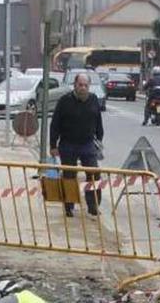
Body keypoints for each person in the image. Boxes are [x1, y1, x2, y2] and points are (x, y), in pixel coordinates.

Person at [49, 72, 104, 217]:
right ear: (75, 85)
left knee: (94, 174)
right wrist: (53, 145)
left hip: (87, 144)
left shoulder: (93, 99)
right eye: (80, 85)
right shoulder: (64, 101)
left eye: (86, 85)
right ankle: (69, 206)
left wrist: (99, 138)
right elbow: (55, 124)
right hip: (68, 144)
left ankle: (93, 206)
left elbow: (98, 119)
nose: (83, 88)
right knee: (69, 176)